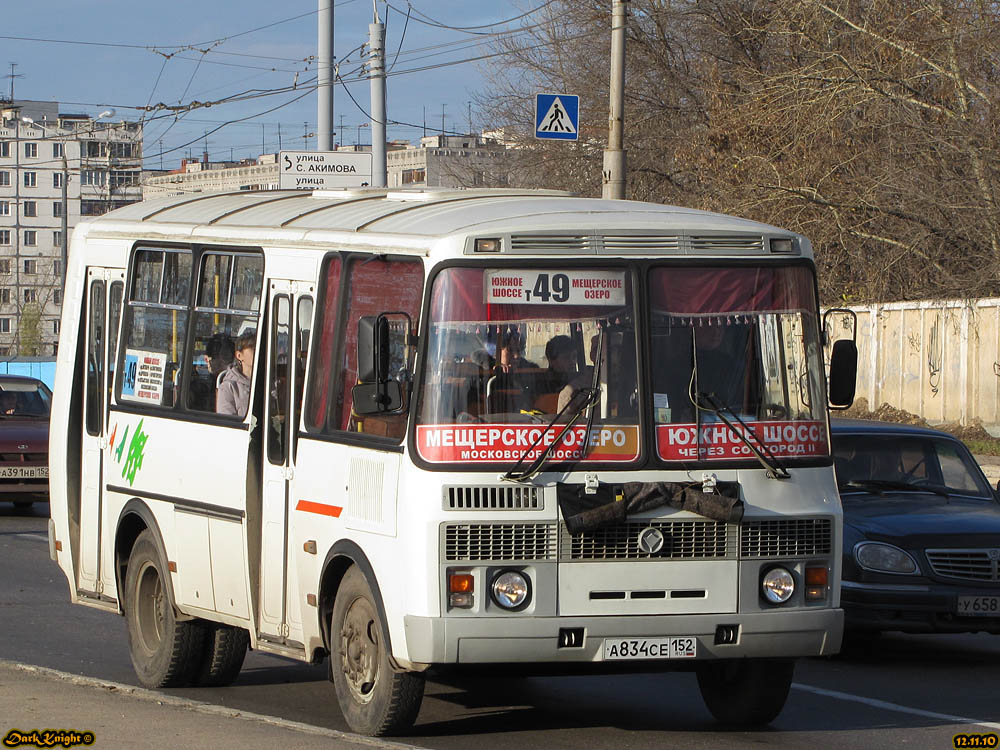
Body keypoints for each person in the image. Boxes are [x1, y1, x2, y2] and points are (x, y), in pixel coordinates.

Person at [217, 331, 255, 417]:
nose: (258, 352)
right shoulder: (228, 387)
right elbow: (227, 421)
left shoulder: (270, 381)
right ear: (239, 355)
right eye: (253, 348)